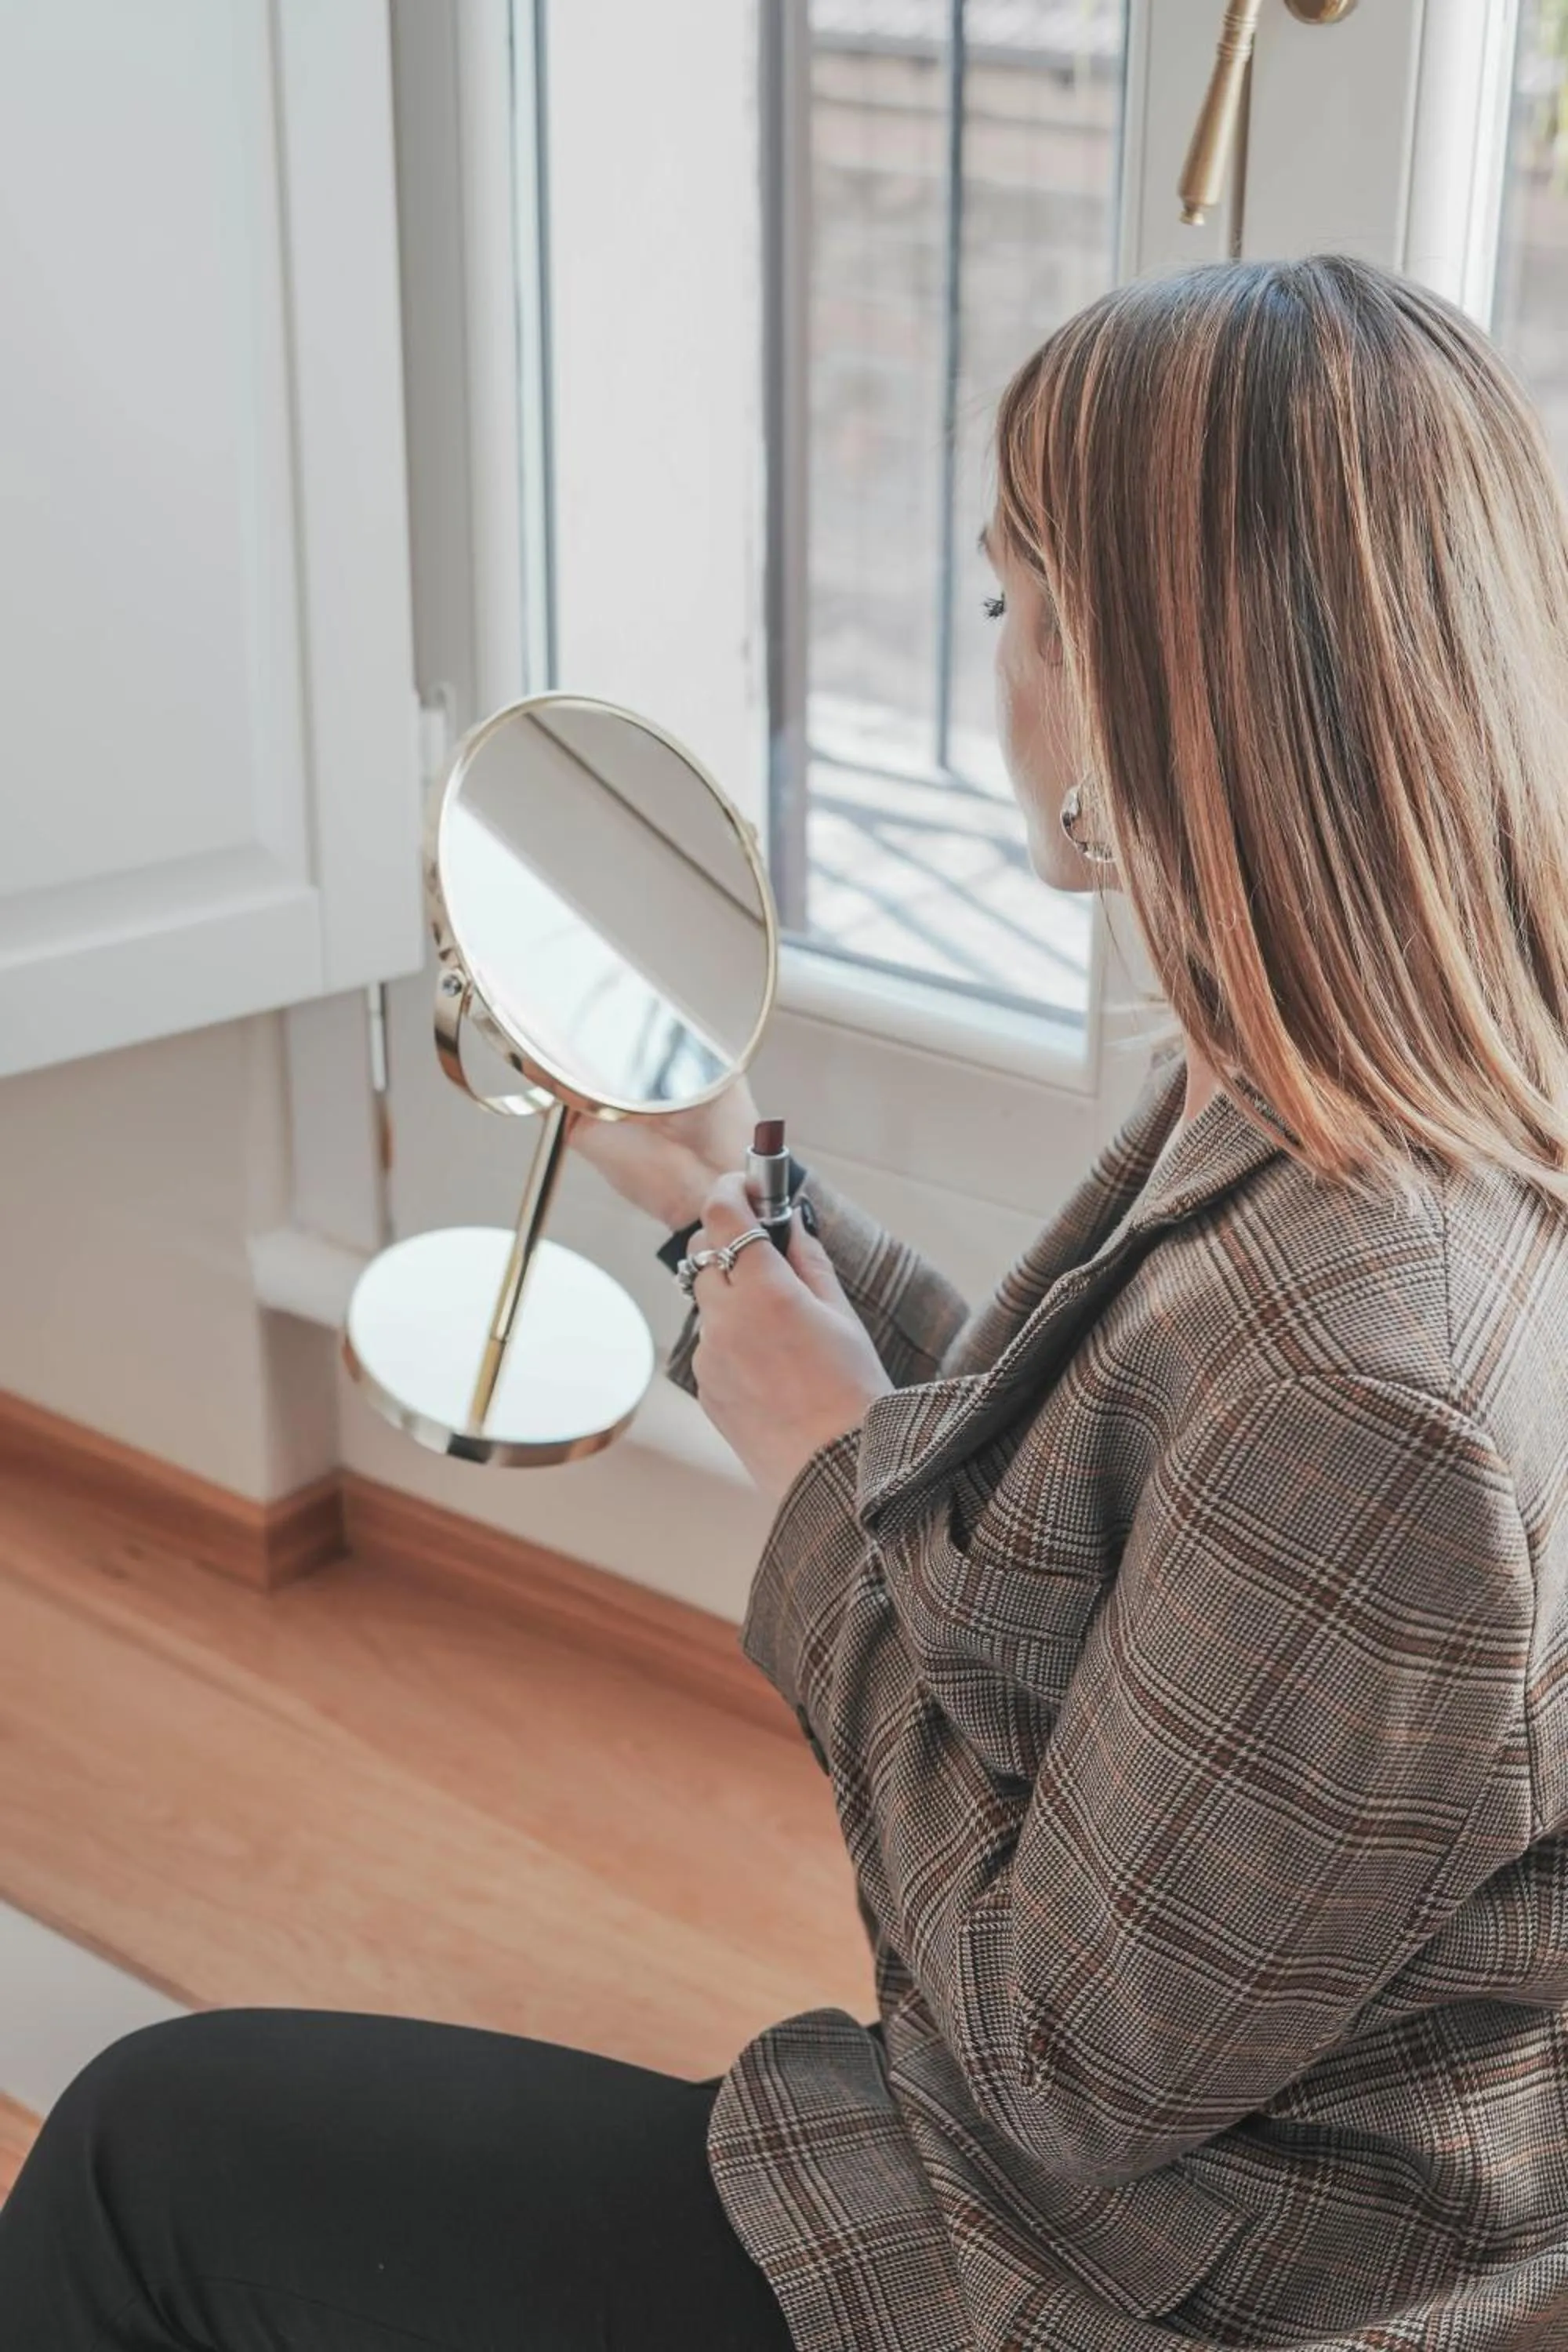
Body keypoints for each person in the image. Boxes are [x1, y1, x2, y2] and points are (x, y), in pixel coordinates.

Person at [5, 249, 1568, 2350]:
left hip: (1141, 2282)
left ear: (1148, 689)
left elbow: (1043, 2082)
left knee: (139, 2155)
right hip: (1201, 2170)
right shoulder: (1383, 1108)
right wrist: (738, 1200)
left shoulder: (1377, 1376)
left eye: (1017, 604)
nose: (994, 654)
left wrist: (820, 1480)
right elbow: (1095, 1476)